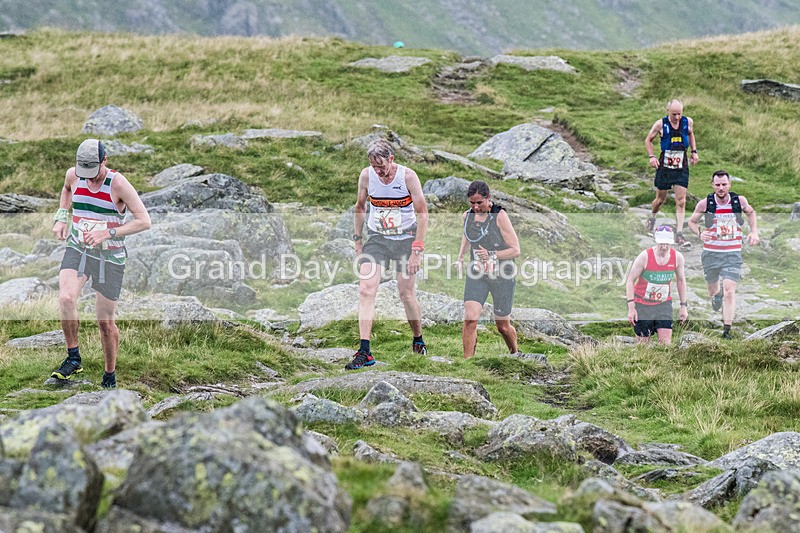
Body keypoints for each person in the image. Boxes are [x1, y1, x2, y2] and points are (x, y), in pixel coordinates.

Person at [51, 139, 151, 387]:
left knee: (105, 323)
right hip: (79, 248)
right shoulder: (74, 176)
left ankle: (109, 375)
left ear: (104, 161)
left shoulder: (117, 183)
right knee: (66, 298)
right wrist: (62, 218)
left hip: (110, 257)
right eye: (85, 172)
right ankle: (73, 358)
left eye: (94, 173)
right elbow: (66, 190)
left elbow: (144, 221)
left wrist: (109, 233)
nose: (90, 179)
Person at [346, 139, 429, 370]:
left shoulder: (408, 177)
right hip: (379, 239)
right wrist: (357, 240)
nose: (379, 171)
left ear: (391, 159)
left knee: (406, 294)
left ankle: (418, 340)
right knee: (366, 288)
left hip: (405, 239)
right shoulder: (366, 176)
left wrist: (417, 251)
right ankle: (365, 351)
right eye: (375, 167)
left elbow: (422, 213)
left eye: (382, 166)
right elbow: (360, 207)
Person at [687, 170, 759, 339]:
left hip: (732, 253)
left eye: (724, 184)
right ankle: (716, 295)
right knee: (713, 291)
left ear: (729, 184)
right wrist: (699, 233)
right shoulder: (705, 204)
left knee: (729, 291)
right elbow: (691, 222)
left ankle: (726, 330)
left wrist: (754, 232)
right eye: (717, 185)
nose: (721, 188)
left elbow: (751, 213)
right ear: (712, 185)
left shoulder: (739, 201)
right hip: (711, 253)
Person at [455, 180, 521, 358]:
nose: (476, 207)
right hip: (477, 272)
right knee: (470, 318)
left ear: (488, 198)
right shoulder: (467, 216)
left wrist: (492, 254)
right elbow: (467, 236)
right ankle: (468, 363)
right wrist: (460, 257)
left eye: (479, 203)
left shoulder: (499, 216)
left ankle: (515, 353)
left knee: (503, 327)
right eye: (472, 203)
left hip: (502, 275)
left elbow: (516, 250)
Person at [644, 99, 699, 246]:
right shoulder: (660, 124)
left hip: (682, 165)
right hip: (665, 165)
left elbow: (691, 134)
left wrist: (694, 152)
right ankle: (652, 217)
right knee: (660, 200)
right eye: (674, 114)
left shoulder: (688, 122)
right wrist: (652, 157)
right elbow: (648, 140)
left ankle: (679, 233)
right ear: (668, 112)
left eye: (679, 114)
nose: (677, 117)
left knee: (681, 201)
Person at [625, 226, 689, 344]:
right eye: (661, 243)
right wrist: (631, 307)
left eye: (667, 244)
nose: (664, 247)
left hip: (663, 304)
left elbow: (681, 281)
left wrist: (683, 306)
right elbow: (630, 280)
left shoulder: (677, 258)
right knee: (643, 345)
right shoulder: (644, 256)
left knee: (665, 344)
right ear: (656, 241)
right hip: (643, 304)